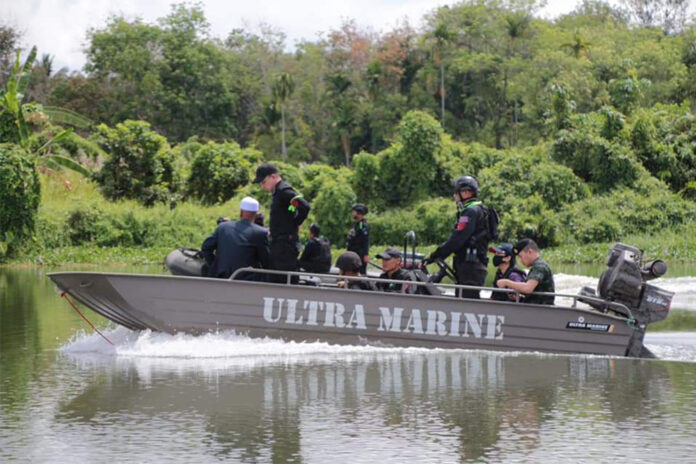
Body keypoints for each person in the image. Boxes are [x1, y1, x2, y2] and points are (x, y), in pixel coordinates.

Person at [423, 175, 492, 299]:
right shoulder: (480, 210)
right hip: (473, 265)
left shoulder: (470, 211)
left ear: (466, 193)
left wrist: (435, 255)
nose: (454, 196)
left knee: (466, 306)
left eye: (456, 192)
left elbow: (457, 239)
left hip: (470, 268)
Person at [253, 163, 310, 283]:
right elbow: (292, 207)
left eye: (263, 182)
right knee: (275, 278)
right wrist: (289, 218)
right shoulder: (278, 192)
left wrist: (295, 223)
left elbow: (304, 206)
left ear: (273, 177)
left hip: (285, 245)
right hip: (280, 243)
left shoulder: (284, 191)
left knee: (285, 279)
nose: (262, 186)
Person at [201, 196, 270, 280]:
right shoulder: (260, 232)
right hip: (246, 281)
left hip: (220, 277)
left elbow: (206, 248)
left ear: (241, 212)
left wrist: (215, 265)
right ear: (255, 214)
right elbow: (266, 261)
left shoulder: (223, 227)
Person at [496, 238, 555, 305]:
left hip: (540, 310)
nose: (521, 260)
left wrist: (506, 282)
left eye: (521, 256)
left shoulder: (540, 266)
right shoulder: (536, 265)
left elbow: (528, 288)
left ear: (529, 252)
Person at [346, 203, 370, 274]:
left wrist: (366, 254)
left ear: (358, 213)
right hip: (353, 253)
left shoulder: (361, 224)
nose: (353, 213)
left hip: (359, 254)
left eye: (354, 212)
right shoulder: (356, 223)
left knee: (359, 272)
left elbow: (365, 239)